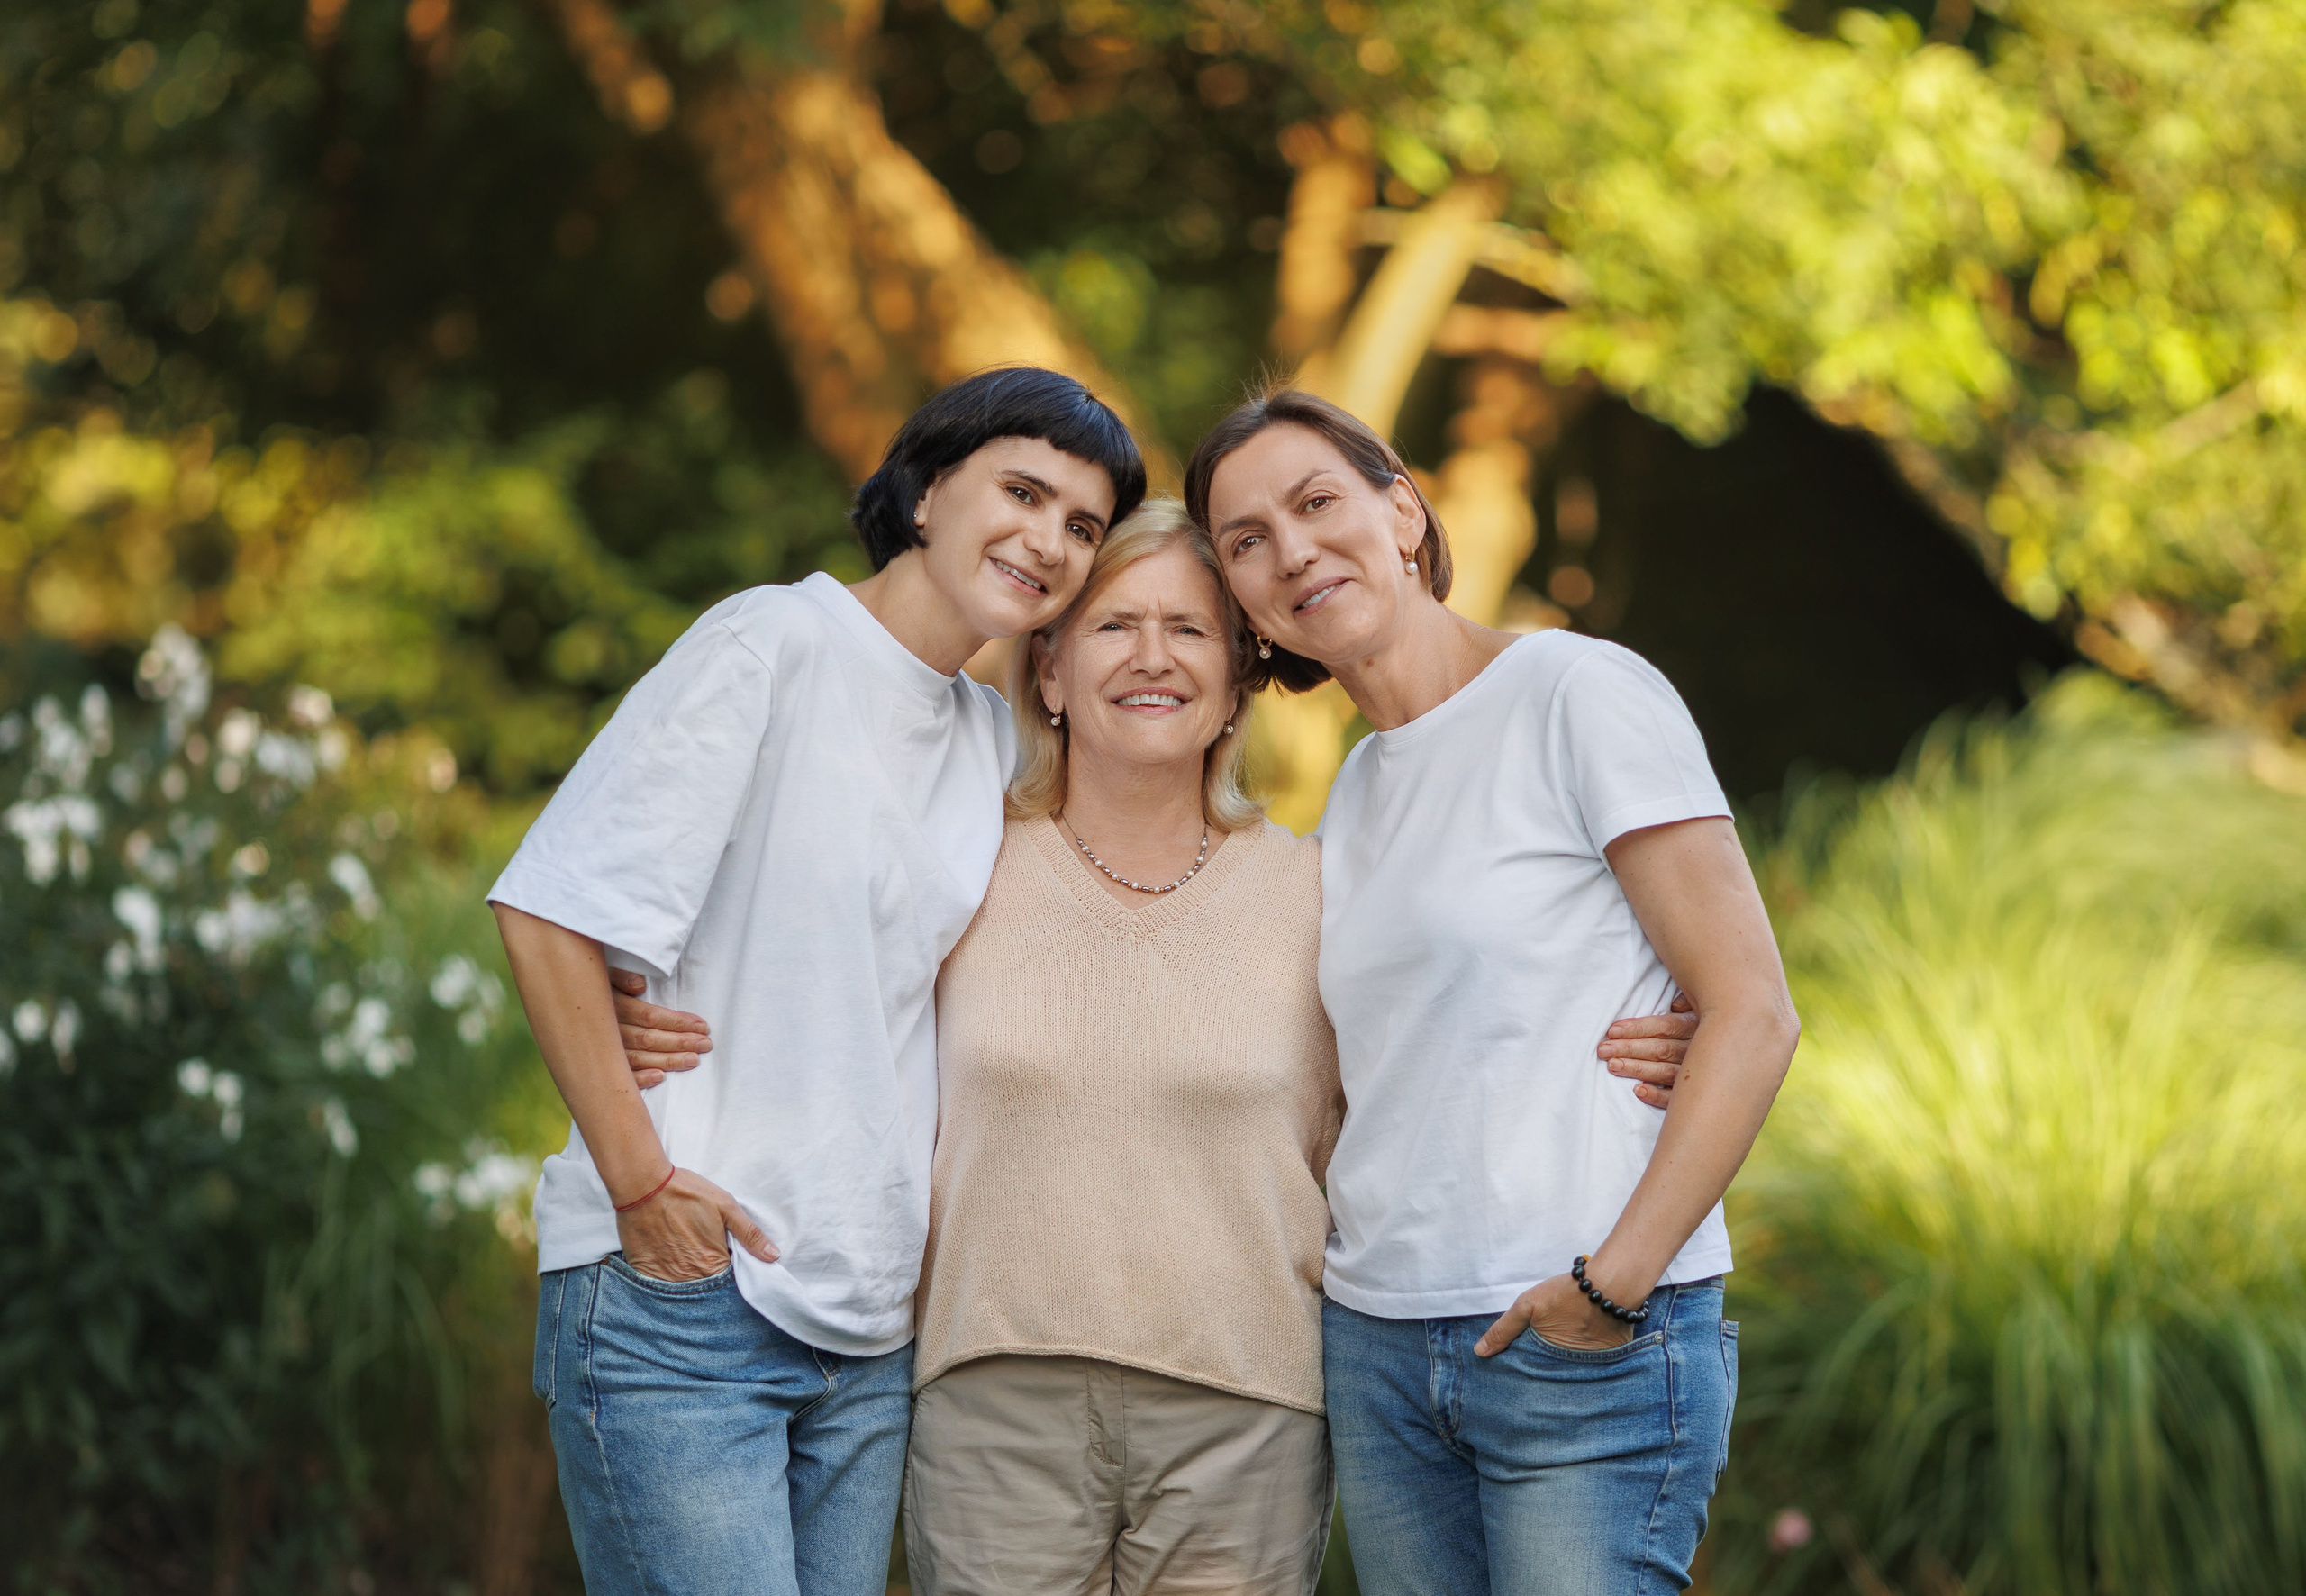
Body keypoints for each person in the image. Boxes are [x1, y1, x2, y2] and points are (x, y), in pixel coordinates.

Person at [611, 500, 1702, 1595]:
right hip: (993, 1396)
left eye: (1189, 631)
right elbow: (814, 963)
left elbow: (1448, 1025)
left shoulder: (1321, 887)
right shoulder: (958, 854)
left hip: (1248, 1407)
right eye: (1111, 624)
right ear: (1046, 669)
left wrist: (1659, 1015)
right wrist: (635, 999)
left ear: (1236, 682)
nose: (1151, 657)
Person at [487, 367, 1144, 1596]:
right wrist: (640, 1183)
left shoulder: (983, 735)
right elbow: (547, 910)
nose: (1047, 539)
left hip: (866, 1328)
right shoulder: (773, 644)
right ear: (932, 485)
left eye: (1083, 525)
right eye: (1023, 490)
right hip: (688, 1300)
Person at [1185, 386, 1801, 1596]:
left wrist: (1609, 1288)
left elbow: (1752, 1011)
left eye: (1316, 504)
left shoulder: (1578, 693)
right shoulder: (1357, 791)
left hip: (1577, 1343)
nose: (1291, 551)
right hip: (1380, 1351)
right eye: (1246, 541)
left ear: (1403, 511)